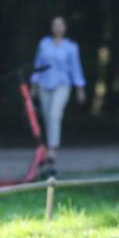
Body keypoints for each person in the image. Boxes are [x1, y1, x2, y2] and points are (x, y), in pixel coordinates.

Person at [31, 16, 86, 170]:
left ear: (65, 28)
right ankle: (48, 146)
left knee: (55, 114)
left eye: (60, 25)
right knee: (48, 116)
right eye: (55, 24)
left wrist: (80, 87)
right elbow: (37, 64)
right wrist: (34, 84)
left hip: (62, 84)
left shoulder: (71, 47)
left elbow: (76, 68)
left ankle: (52, 149)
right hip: (44, 83)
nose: (57, 27)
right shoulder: (44, 44)